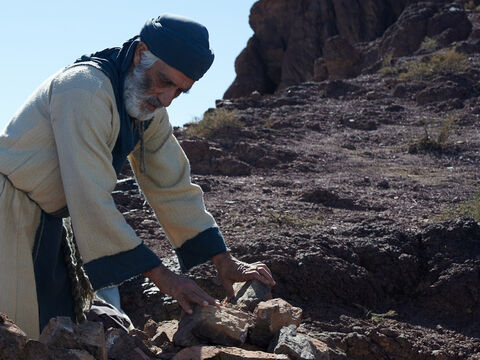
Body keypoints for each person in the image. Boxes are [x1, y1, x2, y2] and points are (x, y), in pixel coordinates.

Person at [0, 14, 275, 339]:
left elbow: (171, 184)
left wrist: (223, 260)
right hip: (10, 213)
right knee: (22, 335)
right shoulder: (84, 89)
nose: (166, 98)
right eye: (164, 80)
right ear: (141, 53)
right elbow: (90, 196)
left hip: (48, 224)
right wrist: (165, 279)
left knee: (57, 329)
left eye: (179, 91)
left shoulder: (147, 110)